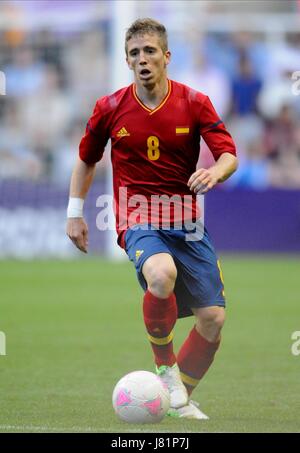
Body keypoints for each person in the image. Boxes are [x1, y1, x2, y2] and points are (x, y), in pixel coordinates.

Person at [66, 18, 238, 420]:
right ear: (127, 62)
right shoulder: (110, 107)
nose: (142, 60)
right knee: (161, 274)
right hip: (136, 213)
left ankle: (175, 397)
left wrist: (215, 172)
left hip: (186, 219)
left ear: (166, 56)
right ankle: (166, 369)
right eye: (134, 54)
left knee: (213, 319)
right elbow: (87, 159)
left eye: (149, 51)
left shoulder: (194, 102)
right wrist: (75, 213)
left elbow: (229, 154)